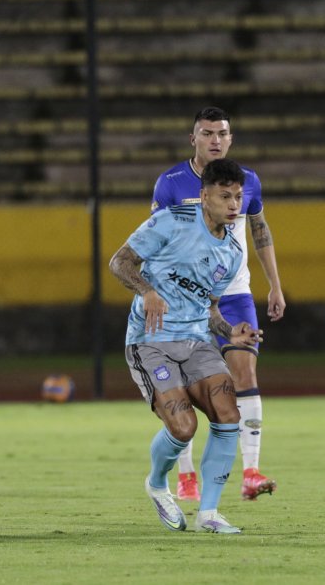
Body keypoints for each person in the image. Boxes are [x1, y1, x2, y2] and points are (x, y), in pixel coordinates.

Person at [110, 158, 262, 534]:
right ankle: (158, 484)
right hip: (151, 340)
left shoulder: (231, 253)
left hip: (196, 340)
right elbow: (119, 261)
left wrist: (230, 332)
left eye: (238, 197)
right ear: (204, 195)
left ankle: (209, 514)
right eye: (224, 196)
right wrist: (147, 291)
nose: (233, 205)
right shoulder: (172, 221)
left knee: (228, 415)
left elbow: (208, 308)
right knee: (183, 427)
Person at [150, 107, 285, 502]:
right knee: (189, 386)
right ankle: (187, 476)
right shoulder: (171, 183)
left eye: (222, 133)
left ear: (230, 138)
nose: (215, 140)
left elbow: (259, 229)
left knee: (244, 372)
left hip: (236, 292)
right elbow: (157, 240)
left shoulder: (249, 181)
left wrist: (275, 285)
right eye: (206, 133)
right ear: (193, 138)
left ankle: (251, 471)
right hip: (187, 298)